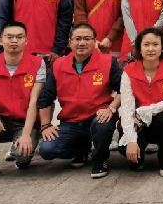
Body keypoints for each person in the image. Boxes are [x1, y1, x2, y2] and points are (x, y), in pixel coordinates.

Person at [37, 23, 122, 179]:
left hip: (98, 117)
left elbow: (124, 90)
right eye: (77, 39)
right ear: (70, 42)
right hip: (70, 122)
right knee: (47, 150)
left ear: (94, 41)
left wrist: (111, 108)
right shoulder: (58, 65)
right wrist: (45, 125)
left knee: (102, 125)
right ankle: (81, 150)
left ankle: (100, 160)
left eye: (87, 39)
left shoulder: (108, 62)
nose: (82, 43)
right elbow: (45, 97)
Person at [0, 21, 46, 182]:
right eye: (9, 37)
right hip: (1, 121)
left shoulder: (37, 64)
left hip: (26, 122)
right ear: (1, 40)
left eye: (19, 37)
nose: (14, 41)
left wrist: (26, 135)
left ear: (26, 41)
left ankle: (21, 146)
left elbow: (34, 102)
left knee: (22, 158)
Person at [118, 27, 163, 176]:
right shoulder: (128, 71)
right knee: (129, 153)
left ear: (162, 47)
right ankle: (138, 153)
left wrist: (144, 110)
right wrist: (131, 141)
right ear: (139, 48)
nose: (151, 49)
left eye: (155, 44)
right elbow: (126, 108)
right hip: (138, 123)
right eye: (146, 45)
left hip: (161, 121)